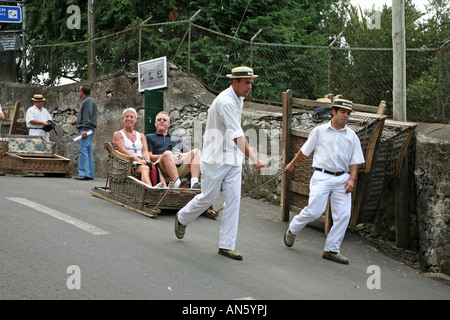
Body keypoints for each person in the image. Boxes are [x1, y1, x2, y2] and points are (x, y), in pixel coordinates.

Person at [174, 66, 265, 261]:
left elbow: (214, 116)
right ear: (235, 82)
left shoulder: (237, 98)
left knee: (234, 201)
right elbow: (237, 135)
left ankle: (226, 246)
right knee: (208, 198)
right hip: (215, 159)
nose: (250, 87)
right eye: (247, 83)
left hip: (233, 159)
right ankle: (182, 217)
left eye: (251, 83)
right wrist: (255, 159)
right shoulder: (225, 101)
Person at [283, 98, 365, 265]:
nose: (346, 116)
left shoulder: (352, 136)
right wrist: (291, 164)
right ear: (333, 112)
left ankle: (331, 250)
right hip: (322, 176)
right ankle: (293, 228)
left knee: (343, 215)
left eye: (348, 113)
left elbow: (355, 160)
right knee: (314, 211)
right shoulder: (319, 131)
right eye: (343, 112)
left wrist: (352, 179)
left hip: (342, 178)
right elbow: (305, 150)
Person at [146, 111, 201, 189]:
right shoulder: (149, 137)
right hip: (162, 166)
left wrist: (181, 155)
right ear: (155, 123)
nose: (161, 121)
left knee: (196, 152)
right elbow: (149, 156)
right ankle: (177, 184)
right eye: (159, 120)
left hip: (179, 164)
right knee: (168, 153)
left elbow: (188, 153)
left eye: (164, 120)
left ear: (169, 124)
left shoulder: (176, 139)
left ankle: (194, 184)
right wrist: (170, 156)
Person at [113, 108, 166, 187]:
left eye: (132, 117)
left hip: (141, 161)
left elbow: (145, 151)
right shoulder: (118, 134)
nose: (129, 119)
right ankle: (150, 190)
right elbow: (123, 151)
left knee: (155, 168)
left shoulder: (141, 135)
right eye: (127, 116)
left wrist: (147, 160)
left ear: (136, 120)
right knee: (145, 169)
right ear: (123, 119)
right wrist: (139, 160)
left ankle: (165, 189)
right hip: (127, 163)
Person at [70, 85, 97, 180]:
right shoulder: (88, 101)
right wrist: (77, 122)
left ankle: (84, 173)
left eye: (79, 91)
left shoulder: (88, 101)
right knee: (88, 151)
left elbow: (87, 116)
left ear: (82, 92)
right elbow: (86, 117)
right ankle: (89, 174)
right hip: (88, 128)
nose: (79, 93)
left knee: (83, 150)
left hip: (87, 129)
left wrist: (85, 129)